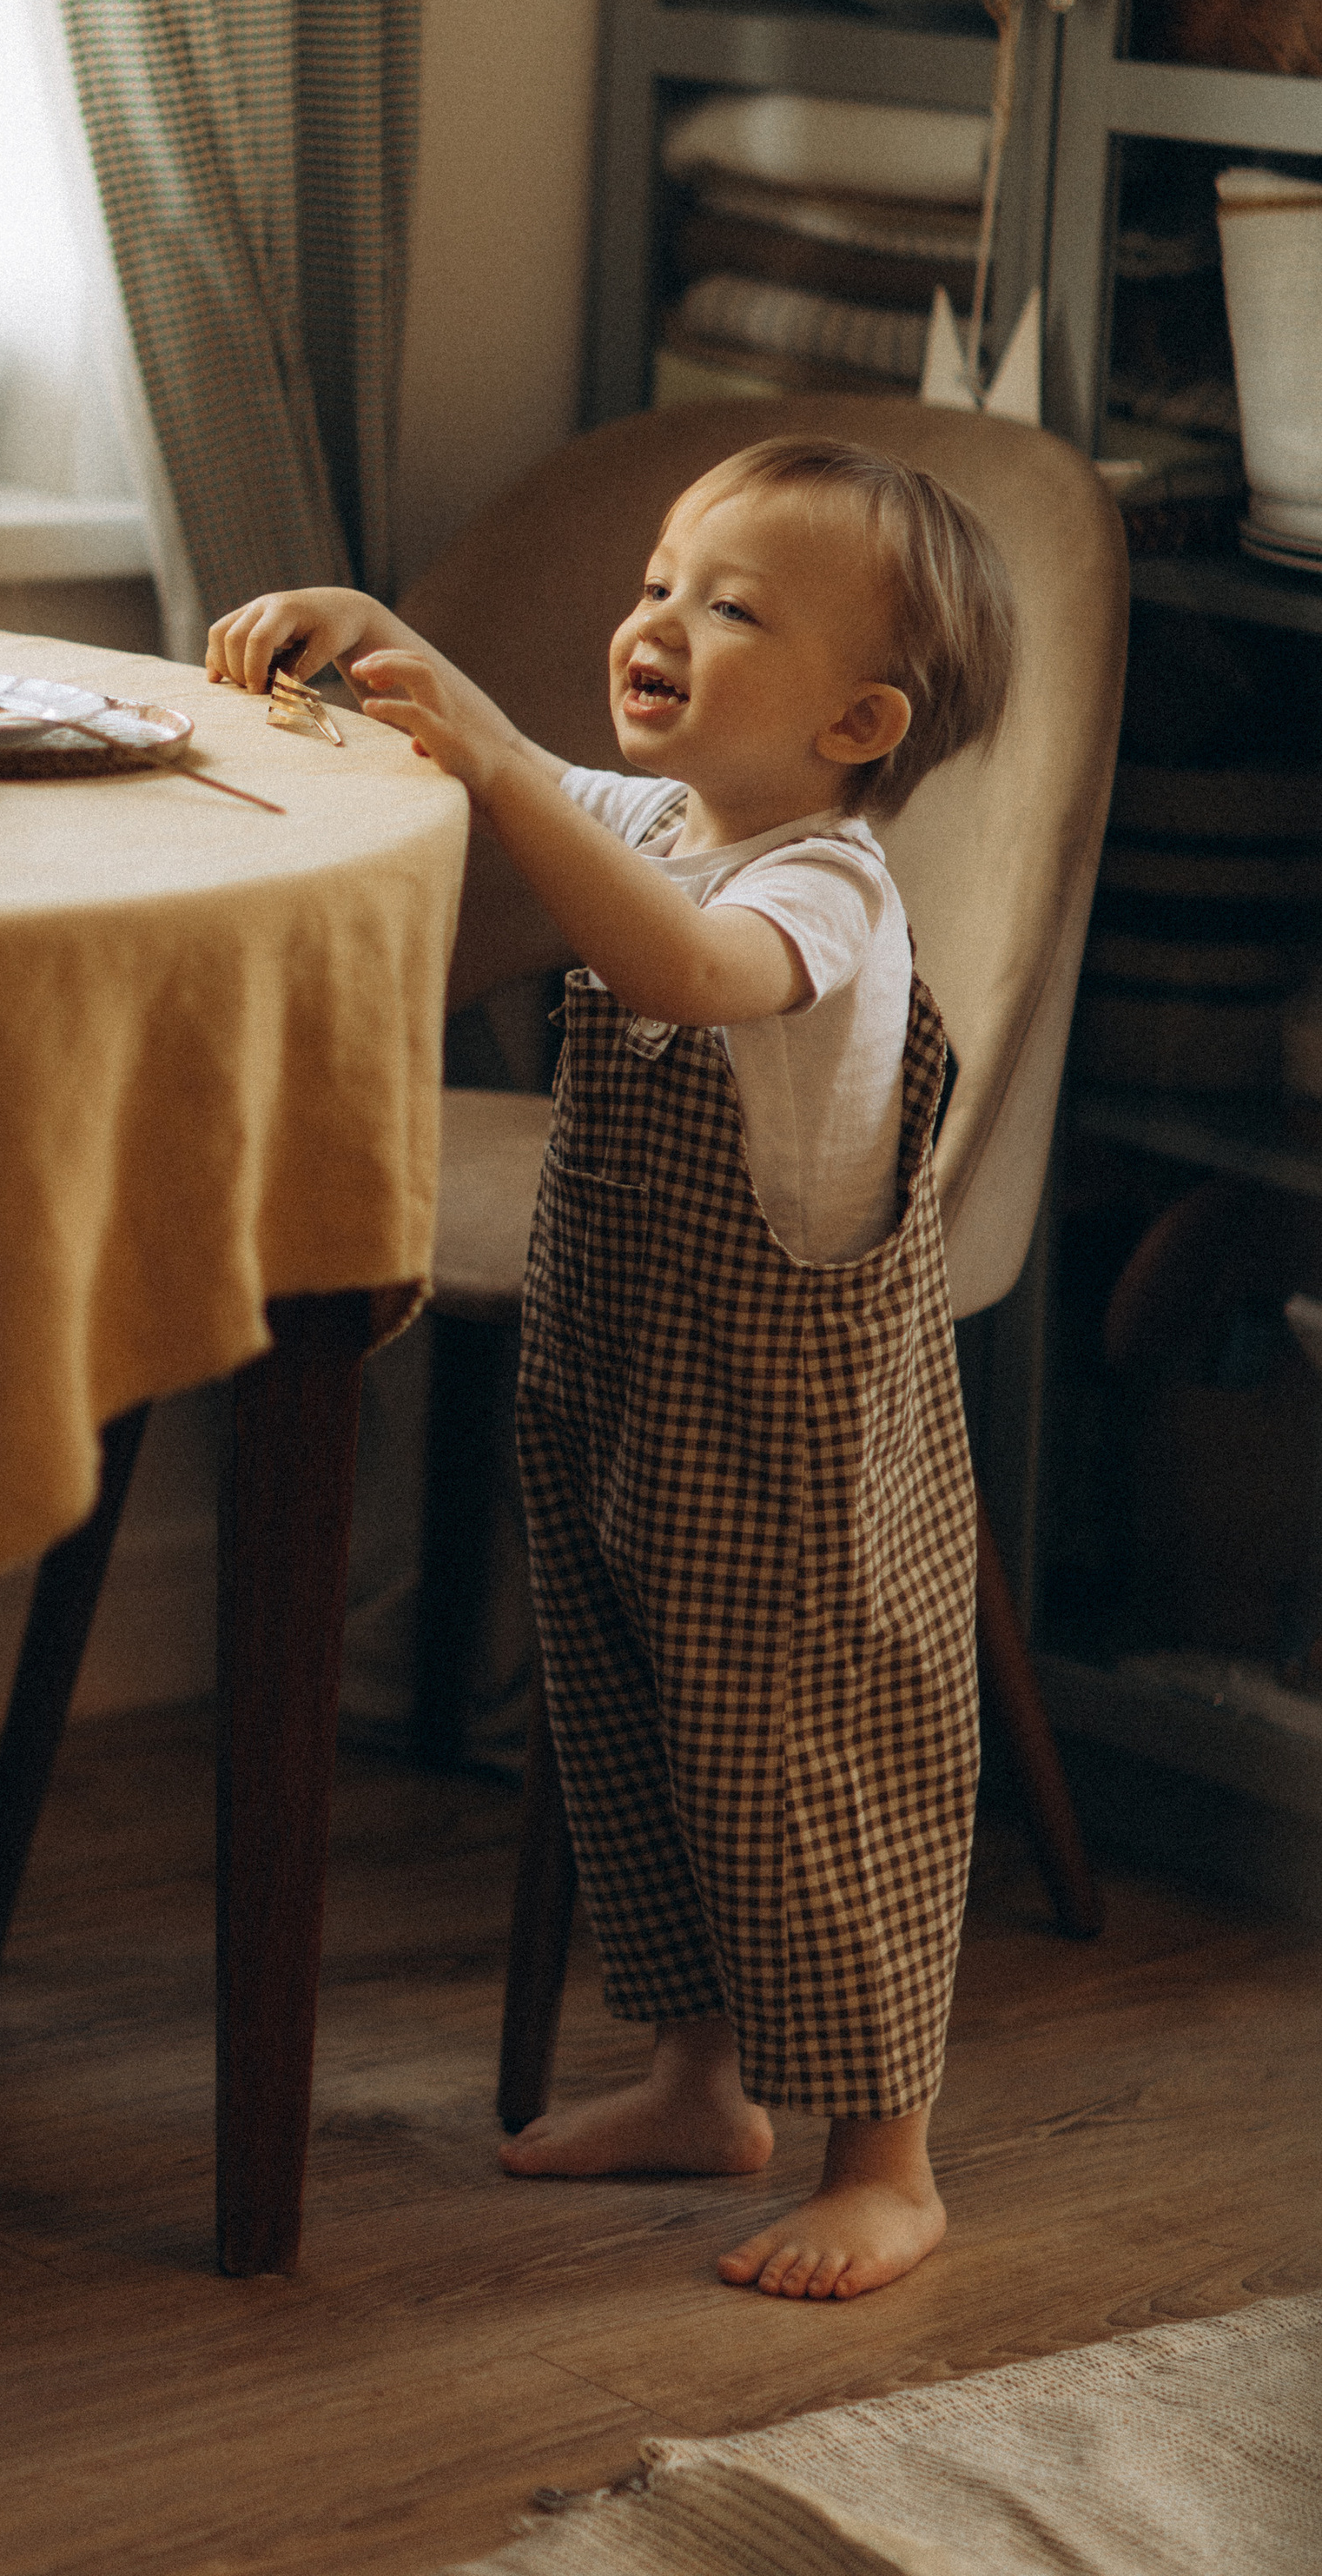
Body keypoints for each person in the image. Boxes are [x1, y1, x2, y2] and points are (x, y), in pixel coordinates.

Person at [205, 435, 1016, 2303]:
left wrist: (492, 765)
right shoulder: (676, 822)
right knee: (641, 1748)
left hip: (788, 1448)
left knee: (808, 1779)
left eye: (727, 609)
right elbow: (574, 807)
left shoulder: (819, 895)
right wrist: (401, 655)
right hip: (631, 1389)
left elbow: (680, 972)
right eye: (659, 579)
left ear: (854, 721)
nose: (656, 619)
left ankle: (885, 2163)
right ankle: (692, 2085)